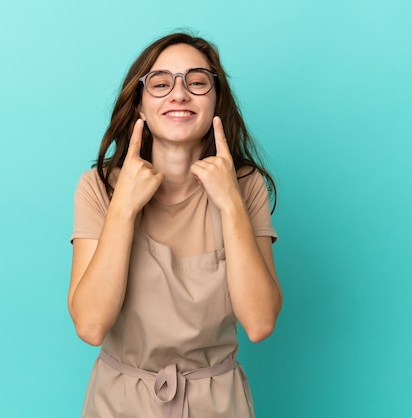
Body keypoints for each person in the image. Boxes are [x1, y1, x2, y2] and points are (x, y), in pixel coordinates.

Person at [68, 32, 283, 418]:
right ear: (139, 105)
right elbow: (90, 326)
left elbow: (260, 322)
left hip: (218, 405)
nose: (179, 94)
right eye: (161, 83)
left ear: (217, 100)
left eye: (197, 82)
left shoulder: (246, 185)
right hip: (118, 404)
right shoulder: (97, 187)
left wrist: (230, 202)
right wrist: (123, 210)